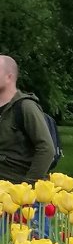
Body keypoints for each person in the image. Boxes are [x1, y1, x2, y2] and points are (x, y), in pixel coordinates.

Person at [0, 55, 56, 184]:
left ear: (9, 77)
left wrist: (28, 184)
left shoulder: (26, 107)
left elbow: (46, 148)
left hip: (14, 188)